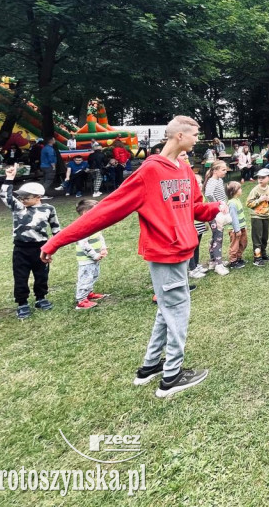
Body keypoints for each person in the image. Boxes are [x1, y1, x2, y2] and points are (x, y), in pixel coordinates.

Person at [39, 115, 230, 399]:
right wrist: (56, 241)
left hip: (182, 250)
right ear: (179, 136)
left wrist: (217, 209)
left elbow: (195, 208)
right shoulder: (149, 171)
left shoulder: (185, 169)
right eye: (194, 135)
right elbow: (105, 211)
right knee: (177, 311)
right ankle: (172, 378)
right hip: (164, 253)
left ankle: (150, 367)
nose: (197, 139)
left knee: (167, 309)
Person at [0, 165, 60, 318]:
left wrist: (54, 246)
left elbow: (55, 228)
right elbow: (4, 195)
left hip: (41, 248)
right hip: (21, 248)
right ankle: (22, 303)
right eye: (21, 197)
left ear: (38, 197)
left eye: (26, 197)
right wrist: (9, 178)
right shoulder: (18, 207)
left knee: (41, 275)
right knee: (20, 276)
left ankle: (41, 298)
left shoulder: (48, 209)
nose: (22, 200)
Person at [73, 198, 109, 310]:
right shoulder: (83, 226)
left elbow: (100, 237)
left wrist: (103, 248)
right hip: (87, 259)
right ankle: (81, 300)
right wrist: (94, 255)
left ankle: (89, 293)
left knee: (93, 275)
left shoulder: (94, 224)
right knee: (85, 278)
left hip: (95, 258)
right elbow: (84, 244)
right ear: (85, 213)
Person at [203, 161, 231, 275]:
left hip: (220, 212)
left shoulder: (219, 180)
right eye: (223, 170)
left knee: (216, 237)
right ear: (215, 170)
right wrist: (218, 205)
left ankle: (214, 261)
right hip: (215, 214)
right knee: (218, 238)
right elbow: (208, 194)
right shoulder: (212, 181)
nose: (225, 171)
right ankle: (218, 265)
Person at [246, 169, 269, 265]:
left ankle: (263, 254)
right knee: (257, 238)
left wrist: (268, 199)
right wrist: (259, 200)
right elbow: (248, 203)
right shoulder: (255, 190)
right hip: (256, 217)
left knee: (264, 237)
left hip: (265, 215)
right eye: (259, 178)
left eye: (263, 178)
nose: (260, 180)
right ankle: (257, 258)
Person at [225, 181, 248, 269]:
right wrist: (237, 229)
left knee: (243, 243)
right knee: (235, 245)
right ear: (233, 191)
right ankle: (233, 261)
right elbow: (233, 217)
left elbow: (241, 215)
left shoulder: (237, 200)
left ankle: (238, 258)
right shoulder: (232, 203)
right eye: (240, 188)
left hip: (241, 227)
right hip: (235, 230)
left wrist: (244, 226)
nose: (241, 190)